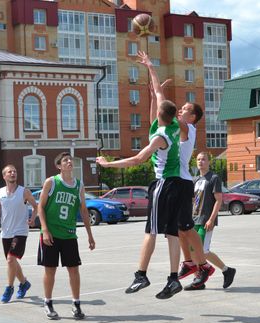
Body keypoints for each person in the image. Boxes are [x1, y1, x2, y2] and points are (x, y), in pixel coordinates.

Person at [96, 52, 184, 300]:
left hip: (164, 184)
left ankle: (141, 274)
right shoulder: (173, 126)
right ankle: (174, 279)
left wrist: (108, 164)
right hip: (176, 184)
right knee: (172, 233)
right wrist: (150, 66)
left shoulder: (160, 137)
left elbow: (137, 159)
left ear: (159, 115)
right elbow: (158, 94)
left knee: (151, 231)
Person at [142, 51, 215, 290]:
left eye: (185, 109)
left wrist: (153, 70)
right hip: (178, 182)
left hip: (179, 182)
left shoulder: (187, 128)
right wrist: (154, 85)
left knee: (183, 227)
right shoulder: (175, 127)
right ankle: (191, 263)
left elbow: (164, 106)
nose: (181, 110)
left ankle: (201, 265)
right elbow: (159, 108)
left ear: (192, 116)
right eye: (180, 109)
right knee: (181, 228)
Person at [37, 152, 95, 320]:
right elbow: (40, 207)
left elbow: (84, 211)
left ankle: (76, 304)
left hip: (69, 234)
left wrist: (90, 235)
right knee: (50, 270)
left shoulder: (79, 185)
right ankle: (47, 302)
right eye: (65, 160)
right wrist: (45, 230)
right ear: (59, 166)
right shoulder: (51, 182)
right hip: (51, 234)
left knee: (74, 270)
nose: (69, 162)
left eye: (70, 160)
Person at [181, 152, 236, 290]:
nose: (201, 162)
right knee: (192, 250)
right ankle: (198, 279)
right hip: (194, 220)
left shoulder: (214, 178)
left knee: (202, 251)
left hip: (206, 220)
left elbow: (219, 200)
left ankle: (227, 270)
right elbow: (193, 201)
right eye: (198, 159)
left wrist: (211, 219)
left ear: (209, 162)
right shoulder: (195, 180)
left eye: (203, 159)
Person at [0, 164, 38, 303]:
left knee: (11, 259)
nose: (13, 173)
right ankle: (24, 283)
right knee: (12, 261)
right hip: (6, 232)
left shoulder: (24, 192)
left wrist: (33, 218)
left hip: (20, 231)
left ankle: (9, 288)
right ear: (4, 176)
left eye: (15, 171)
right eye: (9, 172)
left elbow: (36, 207)